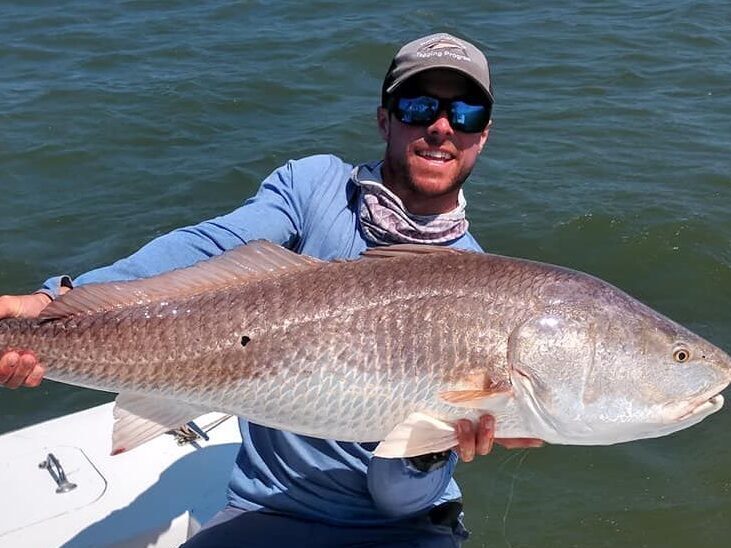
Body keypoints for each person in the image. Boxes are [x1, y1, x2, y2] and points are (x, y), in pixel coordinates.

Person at [0, 33, 542, 546]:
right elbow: (206, 248)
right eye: (418, 107)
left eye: (466, 113)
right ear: (385, 119)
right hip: (268, 508)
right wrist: (53, 304)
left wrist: (432, 451)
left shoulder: (485, 286)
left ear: (484, 134)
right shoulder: (315, 188)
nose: (442, 127)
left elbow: (396, 499)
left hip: (402, 527)